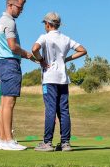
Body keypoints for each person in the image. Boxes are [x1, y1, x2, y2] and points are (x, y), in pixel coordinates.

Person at [32, 12, 87, 152]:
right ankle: (65, 143)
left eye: (45, 23)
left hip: (49, 79)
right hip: (63, 79)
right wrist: (67, 59)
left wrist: (41, 60)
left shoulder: (44, 37)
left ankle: (47, 143)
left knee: (50, 109)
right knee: (64, 111)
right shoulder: (66, 38)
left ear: (48, 24)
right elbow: (82, 50)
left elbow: (34, 49)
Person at [0, 0, 36, 151]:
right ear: (10, 5)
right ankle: (9, 141)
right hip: (10, 63)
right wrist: (27, 55)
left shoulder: (1, 20)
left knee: (4, 103)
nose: (21, 11)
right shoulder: (9, 22)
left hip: (3, 63)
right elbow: (13, 46)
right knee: (9, 104)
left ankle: (3, 140)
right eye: (19, 7)